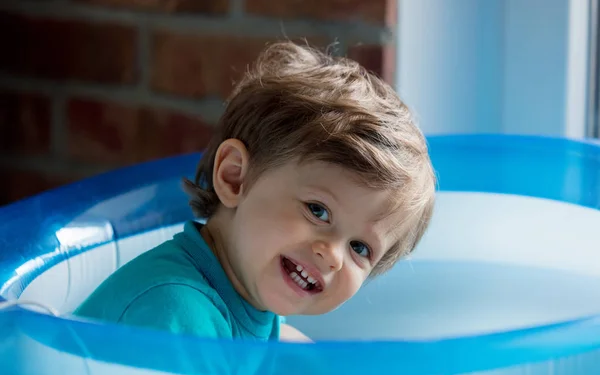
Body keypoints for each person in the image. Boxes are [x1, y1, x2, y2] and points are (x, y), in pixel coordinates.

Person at [73, 40, 436, 343]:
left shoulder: (246, 292)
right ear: (234, 178)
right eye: (318, 211)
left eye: (360, 248)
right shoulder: (177, 316)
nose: (333, 257)